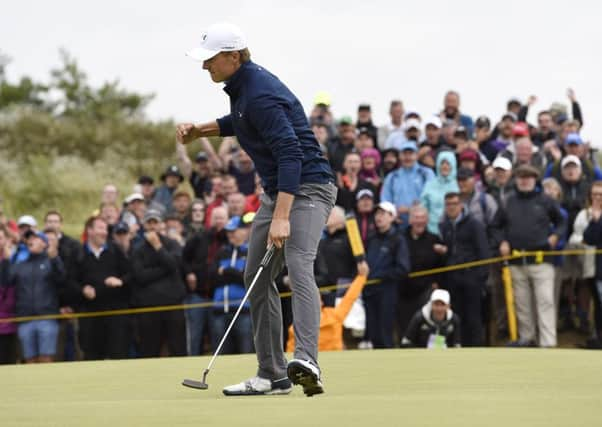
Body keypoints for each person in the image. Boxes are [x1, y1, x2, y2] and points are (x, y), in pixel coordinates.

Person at [178, 22, 337, 397]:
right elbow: (242, 121)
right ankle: (272, 375)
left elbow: (291, 153)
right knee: (256, 276)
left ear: (233, 57)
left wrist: (281, 216)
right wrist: (203, 130)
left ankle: (308, 360)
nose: (205, 68)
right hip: (278, 188)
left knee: (298, 262)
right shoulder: (242, 88)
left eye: (211, 60)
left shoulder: (259, 92)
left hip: (309, 186)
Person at [493, 165, 567, 347]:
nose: (524, 180)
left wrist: (555, 236)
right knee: (522, 305)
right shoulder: (507, 201)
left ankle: (548, 343)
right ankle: (527, 339)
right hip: (517, 261)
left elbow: (562, 221)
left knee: (545, 302)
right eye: (521, 177)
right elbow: (495, 226)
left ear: (535, 179)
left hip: (542, 261)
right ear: (516, 179)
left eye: (528, 177)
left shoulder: (546, 200)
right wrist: (502, 241)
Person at [131, 209, 187, 357]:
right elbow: (140, 276)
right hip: (149, 307)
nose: (152, 226)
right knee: (149, 349)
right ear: (144, 226)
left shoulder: (172, 244)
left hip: (173, 305)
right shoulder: (137, 249)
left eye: (155, 222)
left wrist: (158, 247)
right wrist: (165, 269)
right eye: (149, 223)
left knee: (178, 348)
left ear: (161, 224)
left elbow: (175, 265)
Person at [73, 217, 131, 360]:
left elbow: (130, 273)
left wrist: (120, 281)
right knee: (92, 356)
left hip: (115, 314)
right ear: (90, 231)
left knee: (118, 355)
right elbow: (70, 280)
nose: (104, 232)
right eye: (100, 228)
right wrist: (82, 289)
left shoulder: (115, 250)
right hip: (90, 315)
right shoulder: (78, 253)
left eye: (105, 229)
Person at [439, 192, 489, 346]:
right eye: (448, 204)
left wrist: (479, 277)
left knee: (473, 317)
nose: (451, 207)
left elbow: (484, 251)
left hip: (471, 277)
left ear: (461, 205)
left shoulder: (474, 224)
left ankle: (476, 347)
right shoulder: (445, 226)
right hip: (453, 279)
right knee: (456, 316)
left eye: (454, 204)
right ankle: (460, 346)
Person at [287, 261, 369, 352]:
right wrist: (362, 277)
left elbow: (291, 353)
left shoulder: (296, 326)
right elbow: (350, 297)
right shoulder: (334, 315)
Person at [9, 230, 65, 363]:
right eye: (29, 239)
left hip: (47, 317)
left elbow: (62, 280)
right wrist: (8, 257)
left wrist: (55, 258)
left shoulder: (50, 261)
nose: (30, 241)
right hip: (25, 318)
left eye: (35, 238)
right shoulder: (20, 265)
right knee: (30, 360)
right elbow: (6, 280)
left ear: (44, 243)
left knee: (46, 358)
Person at [363, 202, 410, 348]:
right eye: (377, 213)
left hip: (387, 291)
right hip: (370, 291)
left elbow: (403, 268)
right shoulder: (371, 238)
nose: (379, 217)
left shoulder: (398, 239)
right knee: (373, 333)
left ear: (392, 217)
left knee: (385, 333)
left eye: (383, 214)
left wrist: (381, 276)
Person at [209, 213, 256, 354]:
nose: (230, 235)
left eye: (233, 231)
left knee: (246, 352)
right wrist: (236, 273)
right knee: (220, 355)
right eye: (228, 232)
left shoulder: (251, 252)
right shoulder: (221, 252)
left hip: (244, 312)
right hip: (219, 311)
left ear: (244, 231)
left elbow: (248, 280)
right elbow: (211, 278)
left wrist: (227, 271)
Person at [400, 205, 446, 337]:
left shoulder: (434, 239)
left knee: (425, 326)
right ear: (410, 220)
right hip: (403, 290)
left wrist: (436, 282)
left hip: (425, 290)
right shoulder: (400, 238)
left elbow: (441, 265)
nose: (419, 221)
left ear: (427, 220)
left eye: (422, 218)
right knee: (405, 326)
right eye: (416, 217)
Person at [381, 141, 434, 226]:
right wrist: (392, 214)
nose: (407, 157)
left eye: (411, 153)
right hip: (398, 223)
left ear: (416, 155)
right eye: (404, 154)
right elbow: (385, 200)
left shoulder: (426, 173)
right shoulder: (392, 177)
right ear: (400, 156)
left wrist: (411, 210)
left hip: (421, 223)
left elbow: (432, 198)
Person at [420, 151, 459, 234]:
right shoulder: (430, 184)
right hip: (432, 231)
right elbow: (423, 206)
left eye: (448, 163)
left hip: (455, 231)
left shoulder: (459, 184)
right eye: (442, 163)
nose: (444, 166)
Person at [0, 225, 17, 364]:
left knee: (7, 362)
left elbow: (8, 282)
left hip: (7, 321)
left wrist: (6, 261)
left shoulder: (14, 260)